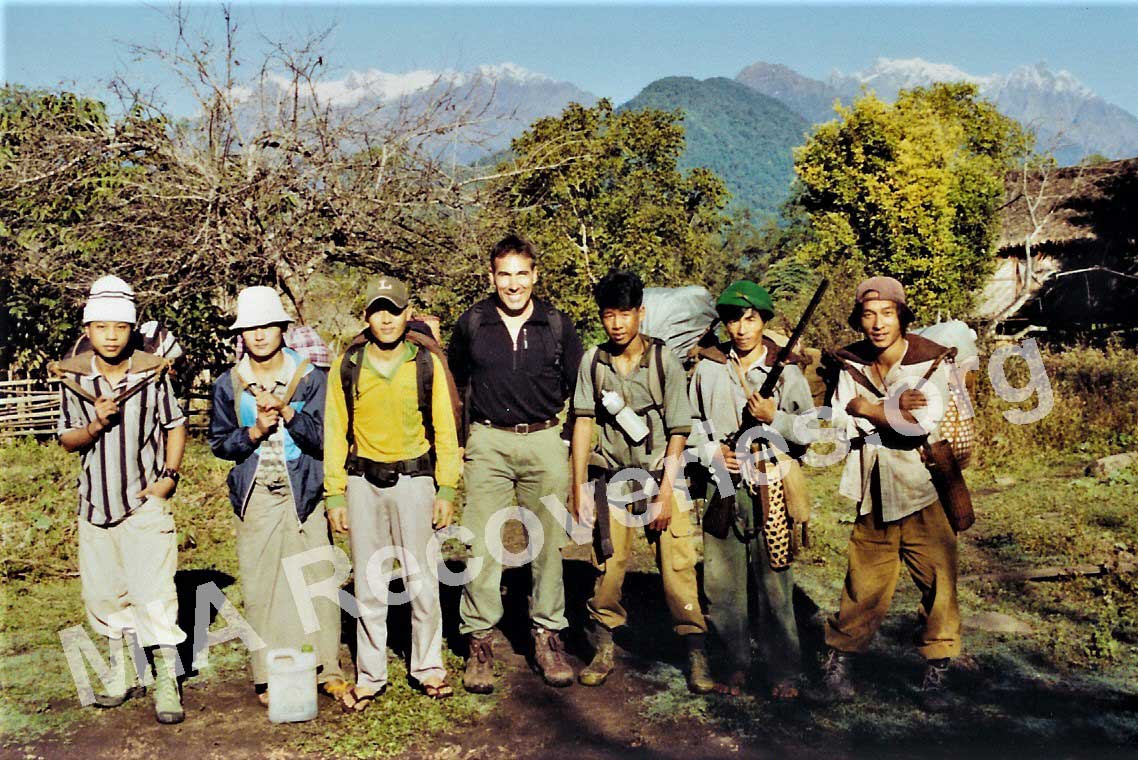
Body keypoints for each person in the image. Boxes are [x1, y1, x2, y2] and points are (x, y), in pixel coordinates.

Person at [810, 276, 959, 710]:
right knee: (863, 580)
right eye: (868, 315)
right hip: (873, 486)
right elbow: (840, 422)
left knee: (938, 580)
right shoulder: (852, 364)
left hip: (922, 487)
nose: (877, 324)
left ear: (902, 316)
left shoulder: (930, 363)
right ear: (860, 319)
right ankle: (841, 662)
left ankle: (939, 667)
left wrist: (870, 409)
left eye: (887, 314)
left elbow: (921, 423)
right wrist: (879, 414)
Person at [448, 234, 584, 693]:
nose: (513, 284)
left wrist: (558, 436)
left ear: (535, 275)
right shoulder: (473, 323)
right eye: (504, 275)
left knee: (547, 543)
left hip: (544, 438)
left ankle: (547, 635)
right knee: (480, 544)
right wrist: (467, 441)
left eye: (521, 274)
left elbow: (575, 386)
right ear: (492, 277)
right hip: (487, 442)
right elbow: (458, 380)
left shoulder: (557, 325)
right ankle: (480, 639)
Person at [569, 271, 713, 693]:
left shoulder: (663, 359)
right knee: (608, 568)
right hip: (612, 479)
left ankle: (695, 650)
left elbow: (678, 429)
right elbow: (581, 422)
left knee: (678, 568)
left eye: (626, 314)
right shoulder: (593, 361)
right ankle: (604, 644)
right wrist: (578, 485)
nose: (617, 324)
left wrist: (666, 493)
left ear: (641, 314)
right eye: (609, 315)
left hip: (661, 474)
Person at [55, 275, 187, 724]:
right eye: (102, 327)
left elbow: (175, 424)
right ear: (88, 330)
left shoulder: (150, 376)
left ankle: (166, 681)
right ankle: (120, 672)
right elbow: (68, 439)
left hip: (142, 500)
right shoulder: (74, 379)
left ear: (132, 330)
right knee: (104, 594)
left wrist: (167, 477)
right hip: (94, 503)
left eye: (120, 327)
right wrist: (94, 424)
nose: (111, 336)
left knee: (154, 592)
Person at [324, 277, 461, 710]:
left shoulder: (425, 363)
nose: (386, 318)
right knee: (369, 582)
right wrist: (334, 494)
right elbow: (334, 430)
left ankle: (428, 667)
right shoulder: (348, 364)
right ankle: (370, 673)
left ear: (407, 313)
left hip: (415, 481)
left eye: (394, 310)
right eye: (377, 310)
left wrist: (446, 486)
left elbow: (445, 428)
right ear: (366, 315)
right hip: (364, 481)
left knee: (422, 580)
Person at [208, 286, 347, 708]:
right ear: (242, 334)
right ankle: (268, 673)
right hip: (256, 494)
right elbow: (219, 442)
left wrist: (288, 414)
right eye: (251, 328)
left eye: (268, 325)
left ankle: (329, 669)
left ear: (282, 328)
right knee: (261, 584)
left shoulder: (312, 377)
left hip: (304, 491)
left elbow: (329, 439)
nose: (260, 334)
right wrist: (252, 432)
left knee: (316, 578)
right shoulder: (228, 383)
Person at [687, 281, 814, 699]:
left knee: (775, 582)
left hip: (770, 482)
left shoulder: (789, 372)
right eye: (733, 320)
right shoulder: (708, 368)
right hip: (723, 482)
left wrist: (775, 417)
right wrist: (711, 453)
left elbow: (810, 433)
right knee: (722, 587)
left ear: (763, 321)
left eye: (750, 319)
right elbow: (686, 426)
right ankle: (734, 665)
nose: (741, 328)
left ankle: (785, 671)